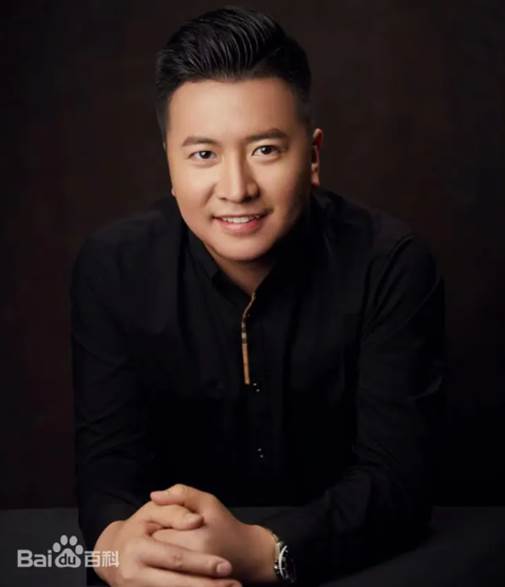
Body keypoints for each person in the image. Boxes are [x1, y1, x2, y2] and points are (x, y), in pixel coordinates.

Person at [71, 6, 446, 587]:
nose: (237, 188)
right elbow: (108, 476)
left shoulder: (390, 263)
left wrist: (263, 550)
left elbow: (399, 481)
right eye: (203, 154)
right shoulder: (113, 268)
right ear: (170, 163)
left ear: (312, 156)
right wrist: (117, 546)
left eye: (266, 150)